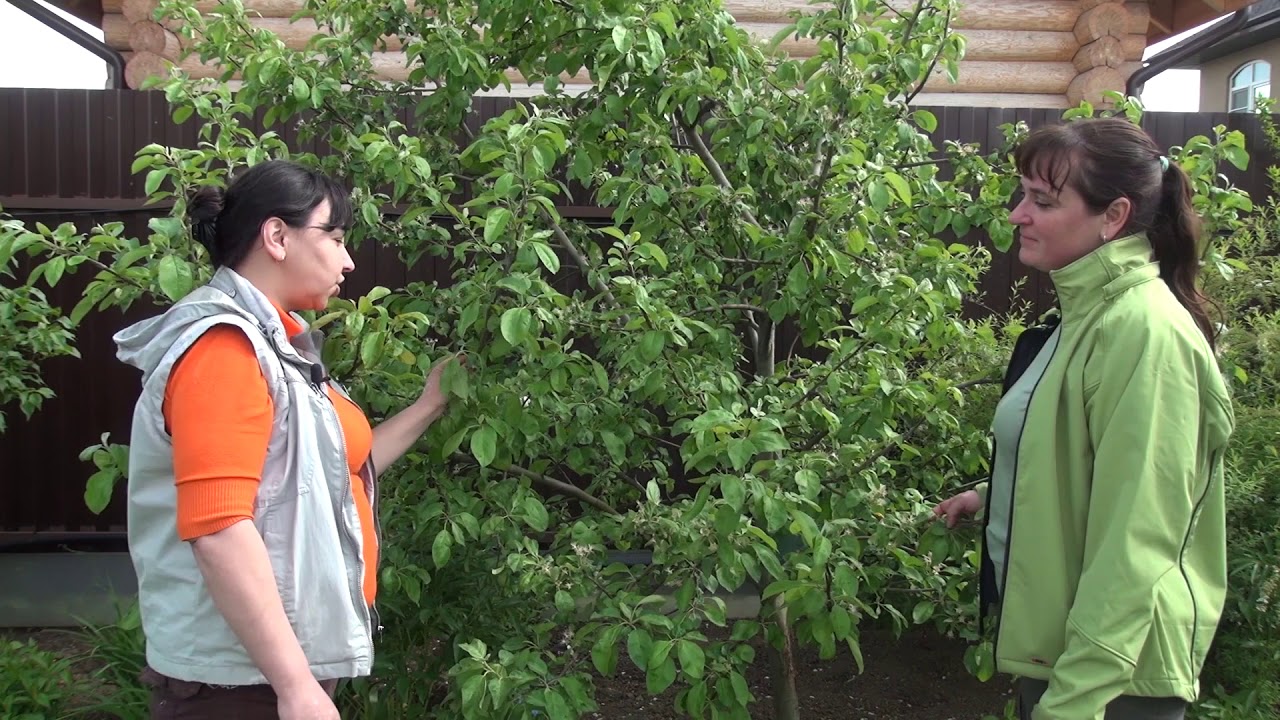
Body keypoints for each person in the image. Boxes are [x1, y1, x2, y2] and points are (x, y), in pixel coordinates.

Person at [115, 159, 460, 719]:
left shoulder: (277, 348)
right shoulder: (223, 349)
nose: (348, 260)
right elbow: (219, 528)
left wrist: (429, 405)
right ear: (277, 236)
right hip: (241, 686)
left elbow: (346, 467)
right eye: (336, 237)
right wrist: (295, 687)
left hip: (275, 673)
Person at [933, 117, 1234, 720]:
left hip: (1114, 682)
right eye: (1022, 195)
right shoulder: (1086, 315)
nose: (1018, 214)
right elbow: (1087, 461)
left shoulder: (1143, 332)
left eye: (1042, 200)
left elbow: (1138, 540)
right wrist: (998, 494)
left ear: (1113, 216)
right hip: (1067, 658)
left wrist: (1073, 702)